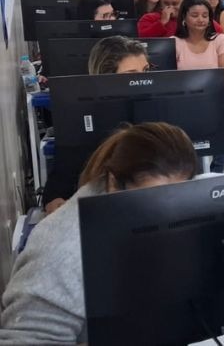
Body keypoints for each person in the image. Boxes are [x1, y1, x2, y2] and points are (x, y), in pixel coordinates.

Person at [0, 122, 198, 344]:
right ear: (113, 182)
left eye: (176, 199)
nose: (164, 214)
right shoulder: (62, 249)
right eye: (150, 202)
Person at [42, 36, 152, 215]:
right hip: (103, 210)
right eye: (131, 75)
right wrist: (55, 201)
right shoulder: (82, 116)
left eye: (145, 71)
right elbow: (58, 185)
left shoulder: (161, 110)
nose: (142, 81)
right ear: (105, 78)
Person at [173, 0, 224, 174]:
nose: (200, 19)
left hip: (218, 96)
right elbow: (169, 78)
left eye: (205, 15)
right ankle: (196, 172)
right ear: (184, 18)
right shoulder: (175, 42)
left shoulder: (220, 39)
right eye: (194, 15)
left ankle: (216, 171)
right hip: (183, 99)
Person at [137, 0, 223, 37]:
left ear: (183, 3)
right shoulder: (149, 18)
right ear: (160, 3)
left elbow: (219, 32)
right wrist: (162, 22)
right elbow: (143, 39)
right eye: (166, 4)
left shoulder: (193, 17)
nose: (171, 7)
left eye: (175, 4)